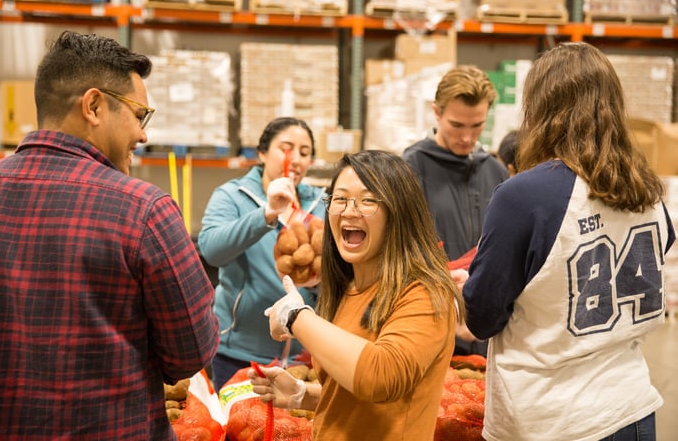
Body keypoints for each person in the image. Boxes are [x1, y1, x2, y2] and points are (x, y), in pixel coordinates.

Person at [0, 31, 219, 439]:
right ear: (94, 106)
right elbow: (192, 353)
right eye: (139, 115)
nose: (143, 134)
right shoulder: (144, 210)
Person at [462, 42, 675, 441]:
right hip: (630, 407)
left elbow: (484, 317)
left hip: (550, 419)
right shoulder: (649, 191)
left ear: (539, 109)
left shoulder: (523, 195)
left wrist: (469, 289)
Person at [250, 150, 466, 440]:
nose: (349, 211)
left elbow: (380, 377)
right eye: (340, 199)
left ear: (398, 212)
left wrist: (296, 317)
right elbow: (358, 400)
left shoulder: (425, 292)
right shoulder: (346, 287)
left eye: (367, 200)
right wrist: (303, 395)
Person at [198, 117, 326, 392]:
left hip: (305, 357)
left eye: (305, 153)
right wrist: (267, 214)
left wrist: (319, 282)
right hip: (240, 354)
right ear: (262, 152)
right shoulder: (233, 195)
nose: (296, 159)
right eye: (286, 148)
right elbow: (211, 250)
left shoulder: (321, 202)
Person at [402, 64, 508, 356]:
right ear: (437, 113)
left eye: (477, 125)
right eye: (457, 125)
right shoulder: (410, 169)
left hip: (484, 329)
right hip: (429, 325)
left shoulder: (495, 172)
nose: (467, 137)